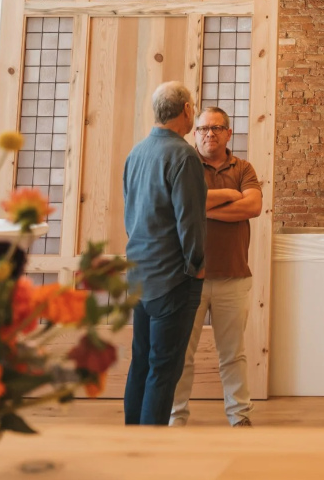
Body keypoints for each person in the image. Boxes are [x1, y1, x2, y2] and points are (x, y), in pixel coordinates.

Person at [170, 107, 263, 427]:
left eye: (217, 128)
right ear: (194, 133)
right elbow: (175, 204)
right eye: (203, 129)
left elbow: (252, 206)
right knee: (181, 354)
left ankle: (239, 416)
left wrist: (199, 209)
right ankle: (175, 417)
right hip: (187, 277)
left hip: (234, 276)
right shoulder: (184, 164)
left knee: (233, 355)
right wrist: (227, 198)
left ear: (229, 133)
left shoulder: (244, 167)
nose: (210, 133)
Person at [122, 81, 208, 425]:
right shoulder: (184, 154)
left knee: (141, 362)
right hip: (174, 278)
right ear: (187, 110)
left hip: (139, 274)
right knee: (163, 369)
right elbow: (190, 221)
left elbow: (131, 215)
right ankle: (148, 454)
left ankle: (131, 441)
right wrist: (197, 266)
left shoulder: (137, 152)